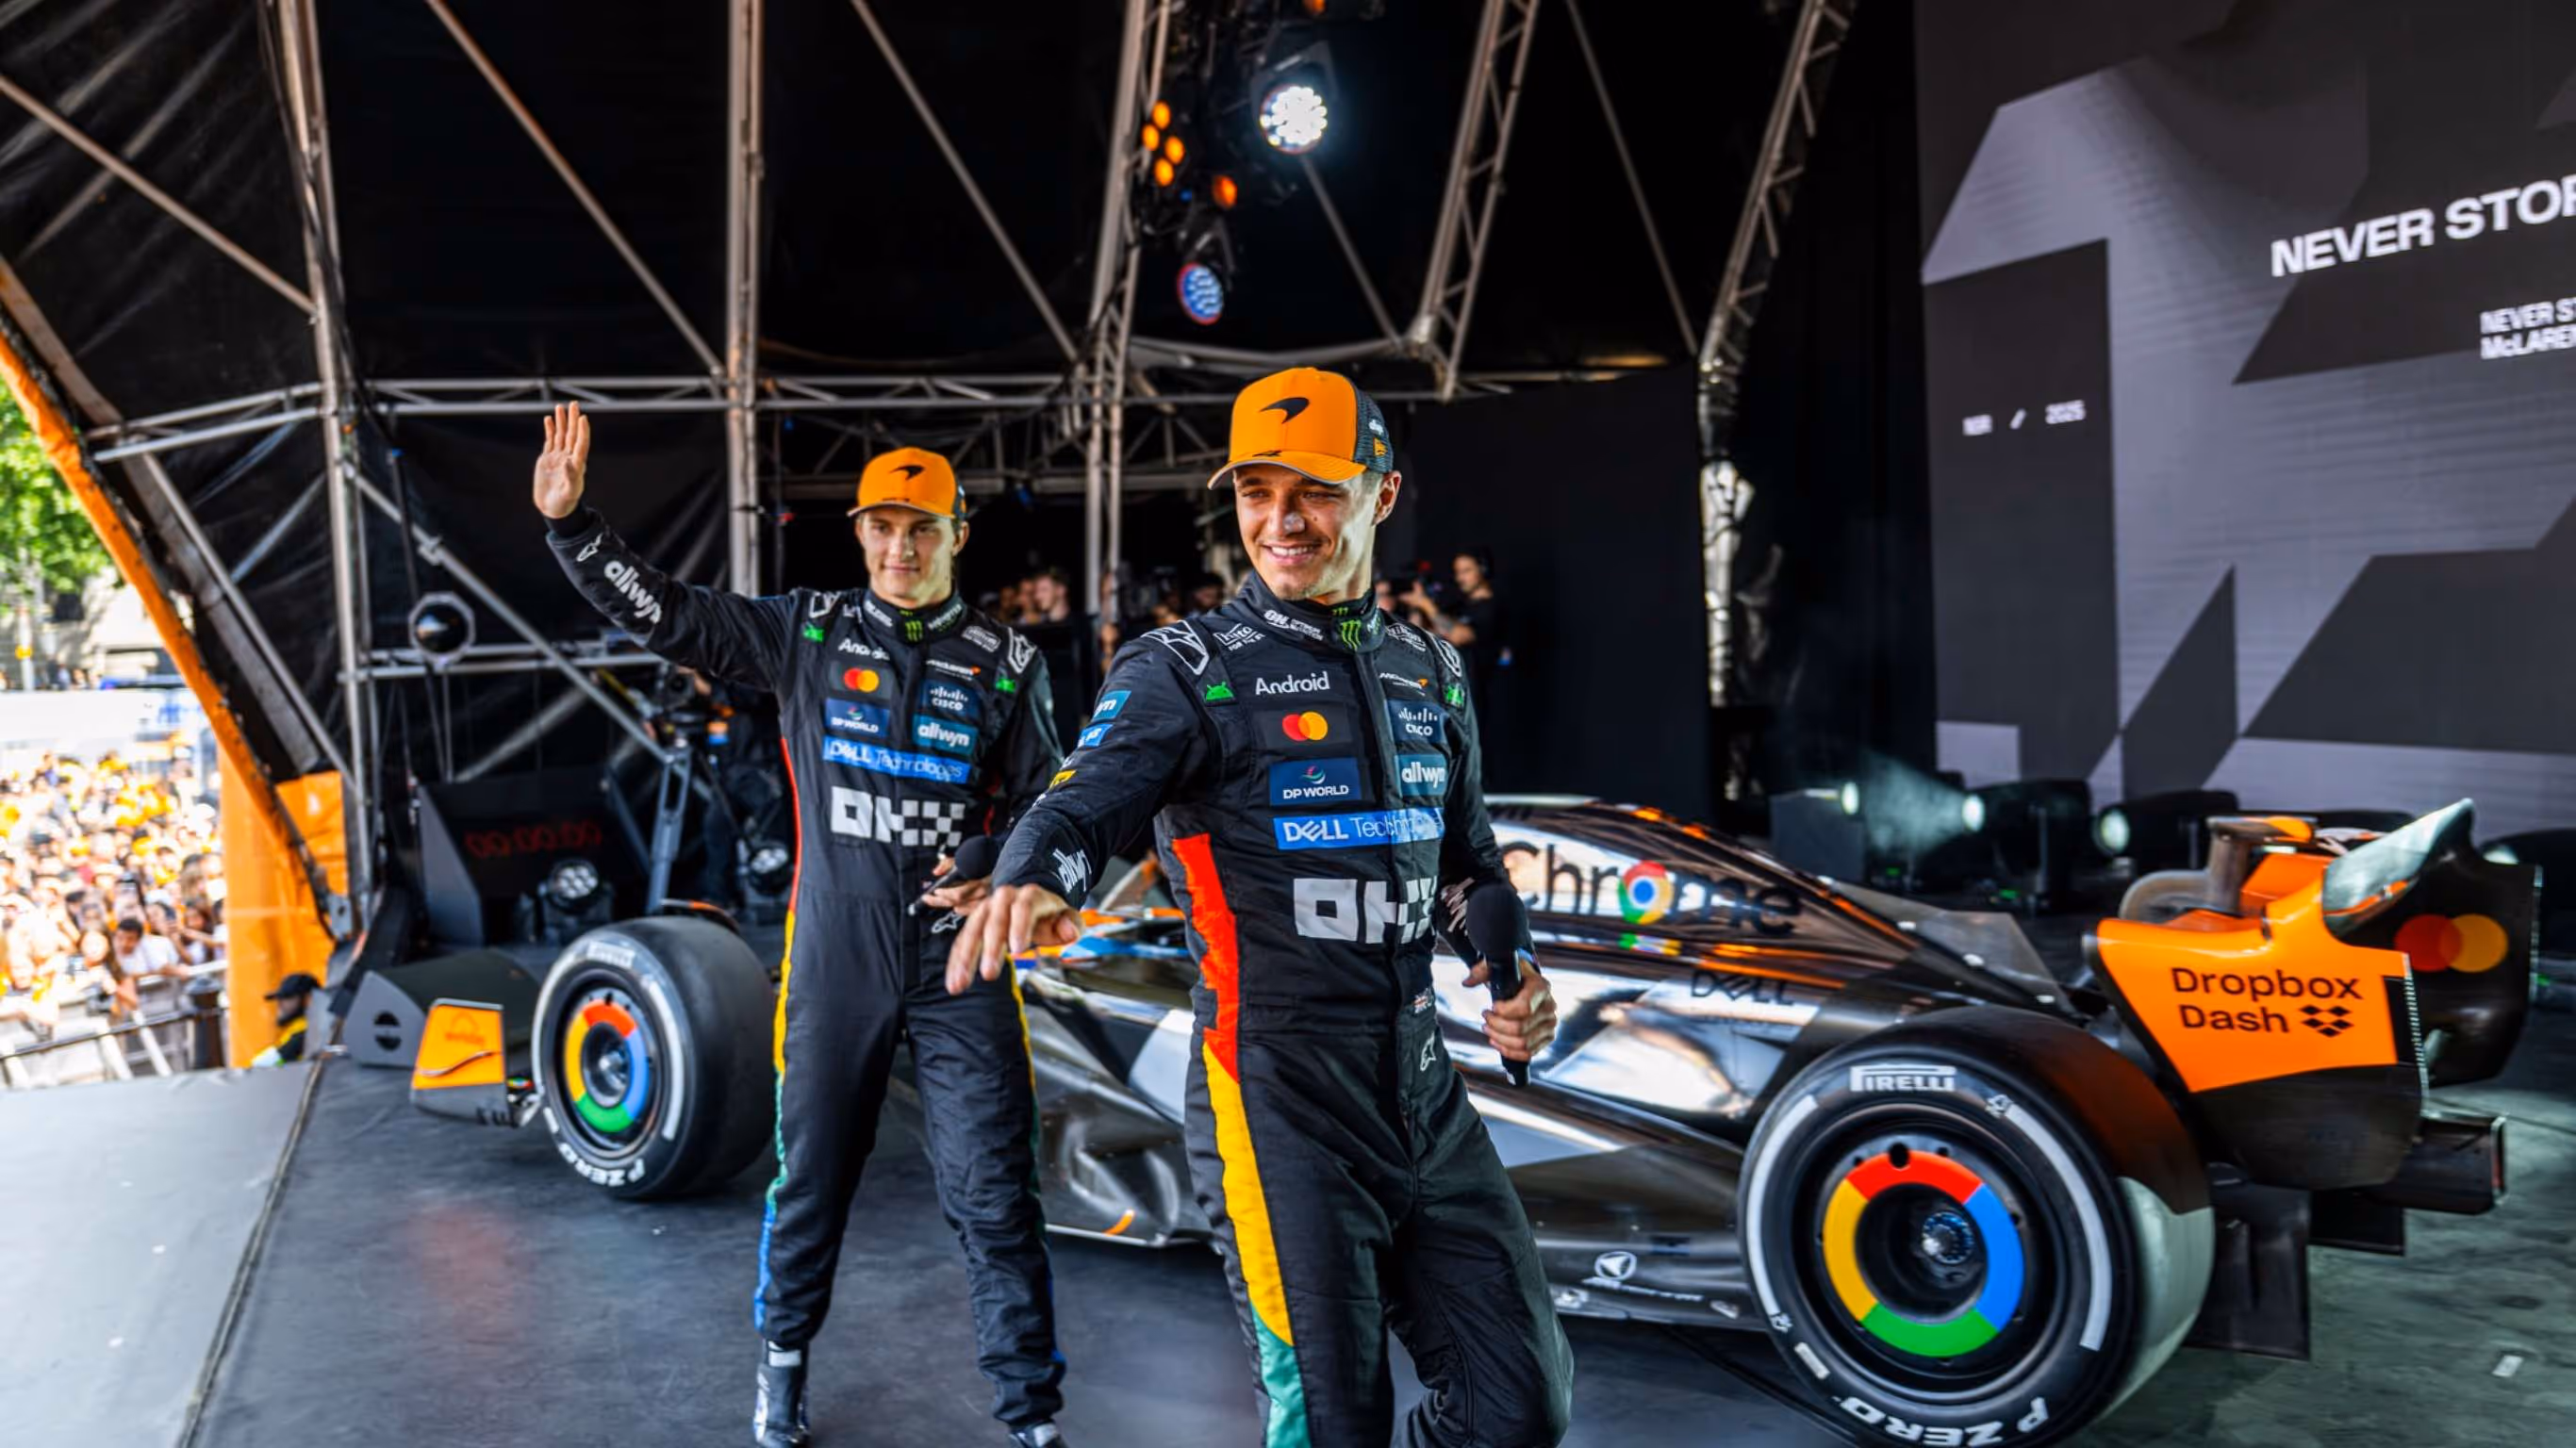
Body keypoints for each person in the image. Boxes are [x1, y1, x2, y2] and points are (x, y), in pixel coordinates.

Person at [953, 368, 1574, 1447]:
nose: (1278, 521)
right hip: (1275, 1100)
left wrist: (1509, 969)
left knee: (1521, 1408)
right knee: (1332, 1423)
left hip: (1424, 1093)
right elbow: (1082, 804)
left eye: (1313, 490)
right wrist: (1034, 876)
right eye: (1254, 492)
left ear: (1380, 496)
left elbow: (1465, 863)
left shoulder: (1430, 665)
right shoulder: (1181, 667)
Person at [532, 403, 1072, 1448]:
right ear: (860, 533)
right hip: (834, 957)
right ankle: (781, 1370)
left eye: (922, 528)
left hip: (957, 965)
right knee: (812, 1181)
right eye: (882, 527)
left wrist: (995, 859)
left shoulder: (1009, 661)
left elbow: (1048, 802)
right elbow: (671, 615)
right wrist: (574, 531)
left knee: (994, 1195)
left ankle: (1030, 1414)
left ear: (958, 535)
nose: (900, 548)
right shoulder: (806, 630)